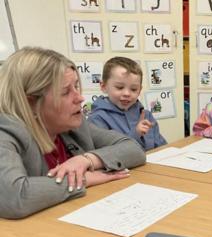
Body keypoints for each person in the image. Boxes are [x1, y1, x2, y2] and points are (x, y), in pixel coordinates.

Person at [0, 47, 146, 219]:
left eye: (76, 86)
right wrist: (83, 179)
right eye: (65, 92)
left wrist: (86, 160)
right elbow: (13, 197)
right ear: (30, 102)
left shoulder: (73, 124)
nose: (80, 98)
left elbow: (134, 149)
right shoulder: (6, 132)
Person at [88, 57, 167, 151]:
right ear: (104, 86)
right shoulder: (97, 119)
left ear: (140, 90)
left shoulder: (146, 115)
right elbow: (107, 156)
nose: (127, 93)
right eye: (119, 87)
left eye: (133, 89)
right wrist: (135, 134)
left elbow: (162, 147)